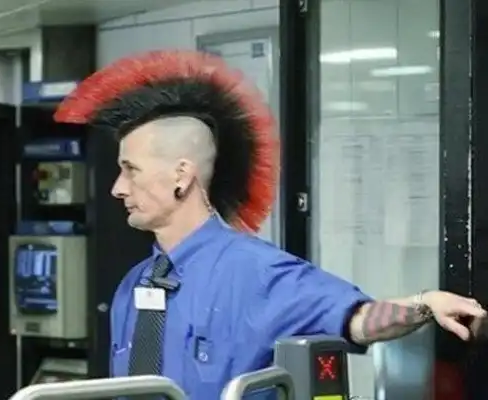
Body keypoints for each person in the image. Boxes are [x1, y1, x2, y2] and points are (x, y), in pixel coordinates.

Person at [53, 50, 487, 399]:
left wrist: (425, 304)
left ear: (181, 176)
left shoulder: (258, 273)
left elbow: (358, 318)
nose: (118, 188)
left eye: (131, 170)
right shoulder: (133, 286)